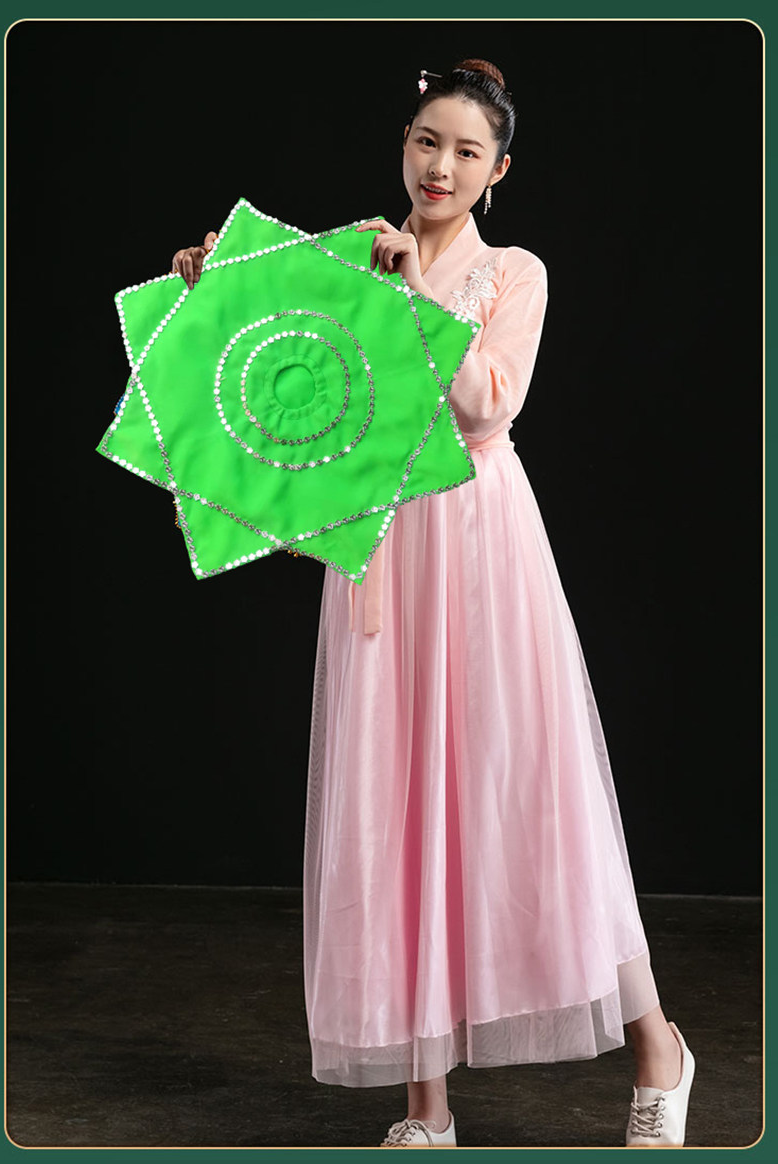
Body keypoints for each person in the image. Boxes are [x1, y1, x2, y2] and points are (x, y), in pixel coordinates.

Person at [172, 57, 695, 1150]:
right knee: (394, 804)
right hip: (384, 545)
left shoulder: (511, 272)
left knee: (531, 799)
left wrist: (408, 292)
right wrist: (212, 294)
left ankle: (658, 1045)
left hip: (481, 548)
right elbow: (286, 377)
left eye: (465, 151)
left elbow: (486, 407)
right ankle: (427, 1108)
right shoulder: (353, 254)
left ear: (498, 170)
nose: (439, 166)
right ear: (403, 146)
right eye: (425, 141)